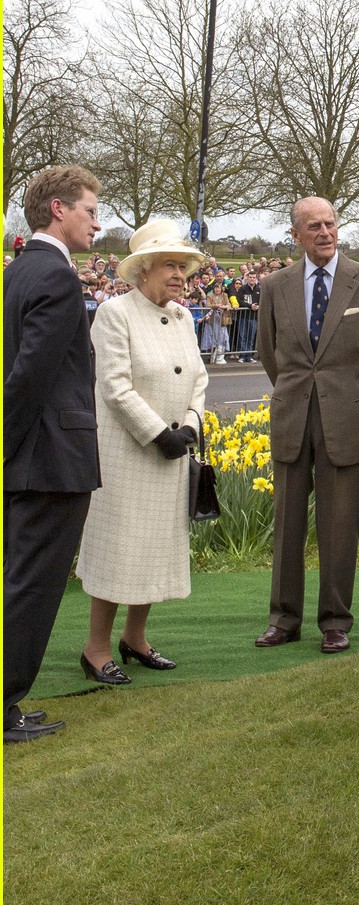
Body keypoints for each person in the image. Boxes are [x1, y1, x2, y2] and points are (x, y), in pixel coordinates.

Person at [255, 197, 359, 653]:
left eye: (330, 223)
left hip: (346, 417)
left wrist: (343, 390)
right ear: (296, 234)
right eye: (313, 226)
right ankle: (283, 619)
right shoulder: (275, 285)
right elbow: (267, 352)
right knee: (288, 522)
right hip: (293, 414)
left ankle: (335, 621)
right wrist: (299, 388)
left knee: (340, 524)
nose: (324, 232)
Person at [75, 220, 208, 683]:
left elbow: (198, 379)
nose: (180, 275)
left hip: (172, 455)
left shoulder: (185, 316)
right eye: (170, 265)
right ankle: (95, 651)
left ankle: (135, 639)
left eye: (184, 267)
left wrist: (190, 425)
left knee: (152, 549)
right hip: (129, 455)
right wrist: (158, 433)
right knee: (119, 550)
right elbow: (114, 387)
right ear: (143, 270)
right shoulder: (114, 314)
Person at [4, 166, 102, 742]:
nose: (97, 221)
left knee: (22, 582)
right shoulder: (56, 277)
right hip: (48, 461)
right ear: (59, 209)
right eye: (91, 210)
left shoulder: (21, 271)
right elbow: (28, 378)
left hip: (33, 458)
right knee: (32, 589)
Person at [235, 269, 260, 362]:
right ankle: (242, 355)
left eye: (254, 278)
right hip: (243, 317)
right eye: (250, 277)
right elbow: (239, 300)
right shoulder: (242, 288)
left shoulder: (259, 289)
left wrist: (258, 306)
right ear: (247, 278)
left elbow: (262, 300)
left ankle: (249, 356)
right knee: (242, 337)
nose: (252, 279)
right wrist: (250, 306)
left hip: (254, 317)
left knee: (251, 337)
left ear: (256, 278)